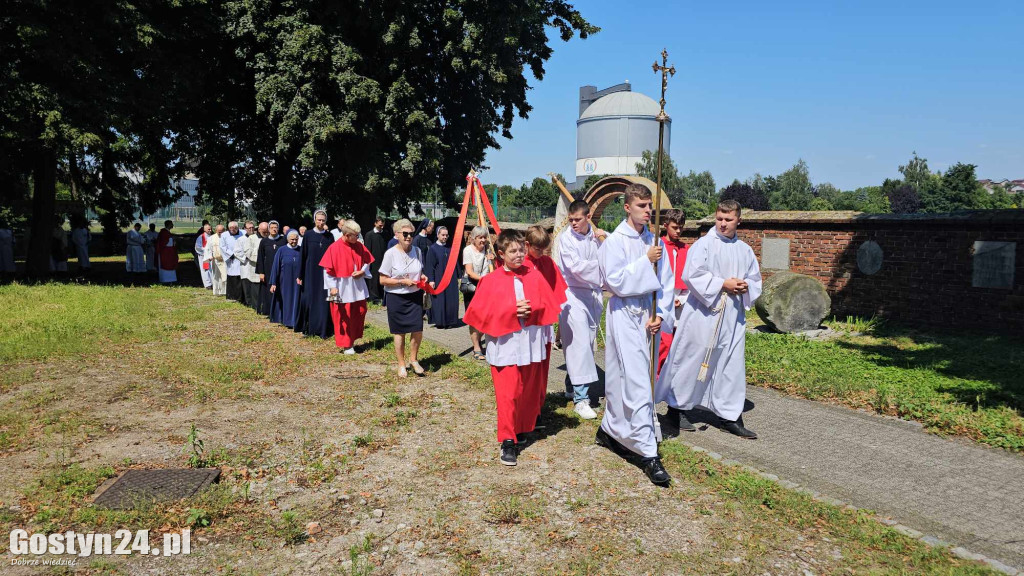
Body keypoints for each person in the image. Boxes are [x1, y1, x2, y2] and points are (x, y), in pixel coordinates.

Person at [656, 200, 763, 439]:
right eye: (719, 219)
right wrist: (722, 284)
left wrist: (746, 287)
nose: (723, 224)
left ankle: (729, 415)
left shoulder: (744, 250)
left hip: (732, 316)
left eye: (728, 220)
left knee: (730, 363)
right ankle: (676, 407)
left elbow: (755, 280)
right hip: (703, 314)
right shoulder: (704, 245)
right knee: (691, 359)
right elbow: (691, 275)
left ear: (738, 221)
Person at [596, 183, 675, 486]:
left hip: (648, 316)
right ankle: (648, 453)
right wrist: (646, 261)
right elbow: (614, 281)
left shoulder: (654, 240)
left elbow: (665, 283)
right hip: (625, 313)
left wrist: (661, 314)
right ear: (627, 207)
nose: (647, 211)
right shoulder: (614, 242)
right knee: (636, 380)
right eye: (642, 206)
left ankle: (610, 430)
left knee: (629, 377)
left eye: (650, 206)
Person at [464, 229, 563, 466]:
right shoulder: (490, 280)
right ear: (501, 254)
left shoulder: (534, 274)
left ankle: (521, 428)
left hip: (530, 342)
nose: (519, 255)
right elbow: (481, 314)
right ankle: (507, 440)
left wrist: (533, 310)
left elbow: (547, 304)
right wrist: (511, 310)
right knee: (508, 393)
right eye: (513, 251)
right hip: (506, 344)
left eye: (521, 250)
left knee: (527, 389)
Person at [555, 201, 608, 420]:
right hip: (573, 295)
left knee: (586, 344)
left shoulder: (596, 236)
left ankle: (571, 385)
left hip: (592, 296)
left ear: (588, 217)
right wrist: (603, 267)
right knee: (578, 345)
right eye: (571, 219)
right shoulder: (566, 240)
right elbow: (576, 268)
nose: (573, 223)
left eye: (578, 219)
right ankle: (581, 399)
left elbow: (616, 253)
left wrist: (606, 241)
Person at [523, 225, 569, 416]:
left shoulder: (548, 263)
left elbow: (557, 290)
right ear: (527, 245)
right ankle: (526, 406)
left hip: (544, 324)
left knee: (542, 366)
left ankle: (538, 406)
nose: (541, 253)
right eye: (537, 249)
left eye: (544, 249)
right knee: (527, 368)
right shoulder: (521, 263)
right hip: (525, 326)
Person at [378, 219, 428, 378]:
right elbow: (382, 280)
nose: (408, 237)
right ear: (397, 235)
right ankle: (401, 364)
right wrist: (401, 281)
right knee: (399, 332)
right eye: (405, 234)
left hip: (414, 296)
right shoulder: (390, 253)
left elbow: (419, 272)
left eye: (411, 234)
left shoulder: (418, 251)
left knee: (417, 330)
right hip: (396, 297)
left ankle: (413, 360)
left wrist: (423, 278)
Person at [321, 220, 374, 354]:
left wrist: (362, 271)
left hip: (357, 285)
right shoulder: (334, 248)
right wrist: (332, 287)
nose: (358, 237)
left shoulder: (359, 245)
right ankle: (346, 344)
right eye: (355, 235)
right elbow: (327, 270)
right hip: (342, 286)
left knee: (359, 312)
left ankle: (353, 340)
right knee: (344, 315)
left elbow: (367, 261)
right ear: (346, 234)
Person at [657, 209, 689, 375]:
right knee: (663, 343)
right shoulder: (658, 247)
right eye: (675, 227)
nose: (678, 231)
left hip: (680, 303)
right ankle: (657, 376)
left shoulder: (685, 249)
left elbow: (690, 280)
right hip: (662, 302)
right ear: (665, 225)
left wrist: (681, 299)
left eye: (681, 228)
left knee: (679, 344)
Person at [294, 210, 335, 338]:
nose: (321, 222)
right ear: (314, 220)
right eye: (319, 220)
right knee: (310, 299)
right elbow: (303, 255)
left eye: (323, 220)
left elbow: (333, 256)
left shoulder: (329, 237)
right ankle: (310, 328)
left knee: (323, 300)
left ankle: (324, 328)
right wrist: (299, 274)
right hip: (310, 272)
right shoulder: (308, 235)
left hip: (325, 273)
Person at [462, 226, 493, 360]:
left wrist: (492, 259)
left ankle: (482, 341)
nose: (483, 240)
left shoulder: (488, 250)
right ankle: (476, 347)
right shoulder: (468, 250)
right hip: (473, 287)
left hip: (486, 287)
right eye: (480, 237)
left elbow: (494, 268)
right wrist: (486, 279)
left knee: (486, 318)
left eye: (485, 237)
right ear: (473, 238)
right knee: (474, 320)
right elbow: (469, 271)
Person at [424, 226, 460, 328]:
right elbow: (429, 265)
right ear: (438, 235)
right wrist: (431, 279)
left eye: (446, 235)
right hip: (439, 278)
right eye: (443, 235)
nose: (445, 237)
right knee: (440, 300)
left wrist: (458, 276)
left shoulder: (450, 248)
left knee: (451, 299)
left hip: (451, 279)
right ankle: (440, 322)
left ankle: (451, 321)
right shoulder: (433, 249)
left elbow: (455, 263)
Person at [269, 229, 303, 328]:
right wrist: (273, 283)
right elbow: (275, 267)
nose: (294, 241)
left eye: (296, 239)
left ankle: (295, 321)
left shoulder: (301, 250)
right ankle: (287, 321)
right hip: (284, 282)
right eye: (292, 239)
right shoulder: (281, 250)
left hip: (297, 281)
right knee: (286, 300)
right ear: (288, 239)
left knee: (297, 300)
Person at [257, 221, 287, 315]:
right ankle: (269, 310)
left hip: (281, 269)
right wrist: (261, 272)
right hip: (268, 268)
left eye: (276, 227)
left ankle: (280, 310)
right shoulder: (264, 241)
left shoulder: (283, 240)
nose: (274, 229)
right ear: (269, 229)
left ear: (278, 229)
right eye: (272, 227)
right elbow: (260, 257)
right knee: (268, 289)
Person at [363, 217, 387, 304]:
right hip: (373, 260)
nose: (381, 226)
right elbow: (367, 249)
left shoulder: (385, 234)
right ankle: (374, 297)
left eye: (382, 225)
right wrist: (369, 261)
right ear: (375, 223)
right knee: (374, 279)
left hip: (383, 259)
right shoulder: (369, 235)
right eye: (380, 225)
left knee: (382, 278)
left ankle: (381, 295)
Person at [220, 221, 245, 300]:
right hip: (231, 259)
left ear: (238, 228)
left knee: (242, 276)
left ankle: (241, 296)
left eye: (234, 228)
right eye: (231, 228)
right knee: (232, 276)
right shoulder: (224, 235)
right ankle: (232, 296)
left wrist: (241, 255)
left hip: (241, 258)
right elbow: (222, 246)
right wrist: (231, 254)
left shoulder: (243, 233)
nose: (233, 229)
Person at [240, 221, 260, 308]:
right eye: (249, 228)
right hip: (246, 264)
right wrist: (246, 257)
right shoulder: (241, 239)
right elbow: (237, 251)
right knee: (247, 285)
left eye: (253, 228)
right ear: (245, 229)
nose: (251, 229)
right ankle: (248, 302)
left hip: (256, 264)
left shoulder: (257, 238)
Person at [204, 224, 227, 295]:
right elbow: (208, 248)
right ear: (216, 230)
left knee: (225, 276)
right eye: (219, 232)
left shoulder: (227, 237)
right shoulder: (212, 238)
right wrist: (209, 256)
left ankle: (225, 291)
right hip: (216, 260)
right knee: (216, 276)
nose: (221, 233)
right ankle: (217, 291)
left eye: (222, 231)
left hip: (225, 260)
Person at [194, 223, 213, 289]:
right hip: (204, 256)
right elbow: (198, 247)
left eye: (211, 229)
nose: (210, 230)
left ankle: (212, 282)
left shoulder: (212, 236)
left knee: (211, 269)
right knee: (205, 269)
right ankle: (207, 284)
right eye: (208, 229)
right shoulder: (201, 237)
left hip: (211, 256)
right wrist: (206, 250)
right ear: (204, 229)